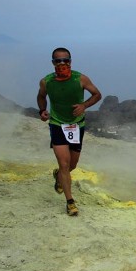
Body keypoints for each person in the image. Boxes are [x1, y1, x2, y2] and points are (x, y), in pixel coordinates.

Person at [37, 47, 102, 216]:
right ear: (53, 63)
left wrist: (84, 106)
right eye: (58, 60)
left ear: (70, 61)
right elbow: (41, 96)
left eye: (65, 60)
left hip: (76, 125)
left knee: (72, 165)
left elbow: (97, 94)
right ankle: (70, 202)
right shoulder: (47, 81)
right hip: (57, 124)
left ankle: (59, 176)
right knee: (64, 164)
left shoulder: (80, 79)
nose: (62, 63)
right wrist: (42, 110)